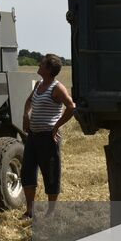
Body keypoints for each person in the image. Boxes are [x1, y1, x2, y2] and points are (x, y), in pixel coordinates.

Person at [20, 53, 75, 218]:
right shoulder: (38, 84)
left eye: (42, 64)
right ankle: (30, 210)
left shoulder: (57, 88)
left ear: (49, 69)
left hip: (48, 138)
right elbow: (29, 101)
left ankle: (51, 212)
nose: (39, 65)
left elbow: (71, 107)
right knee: (27, 172)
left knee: (50, 173)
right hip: (33, 136)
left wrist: (57, 126)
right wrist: (25, 115)